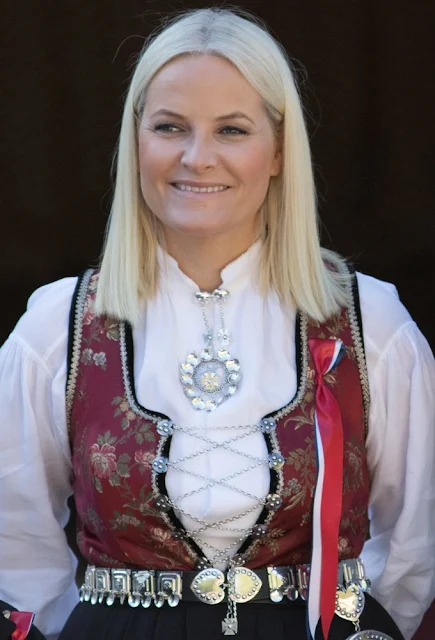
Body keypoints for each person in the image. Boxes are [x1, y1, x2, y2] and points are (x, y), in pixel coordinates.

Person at [0, 6, 434, 640]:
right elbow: (14, 536)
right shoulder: (56, 327)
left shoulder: (370, 322)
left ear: (280, 150)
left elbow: (417, 533)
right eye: (170, 126)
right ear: (136, 142)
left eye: (232, 130)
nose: (198, 157)